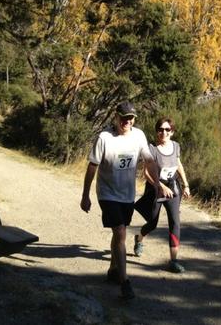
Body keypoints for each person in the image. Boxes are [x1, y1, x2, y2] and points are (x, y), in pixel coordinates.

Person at [80, 101, 169, 300]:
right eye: (123, 117)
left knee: (118, 233)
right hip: (107, 194)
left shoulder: (138, 136)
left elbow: (149, 160)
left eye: (130, 118)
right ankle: (124, 282)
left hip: (127, 195)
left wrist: (156, 184)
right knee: (120, 232)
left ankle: (113, 269)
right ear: (115, 117)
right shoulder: (104, 138)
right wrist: (85, 195)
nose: (127, 121)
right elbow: (92, 167)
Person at [133, 117, 191, 273]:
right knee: (152, 223)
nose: (163, 132)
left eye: (167, 129)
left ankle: (173, 260)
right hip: (155, 189)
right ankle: (139, 238)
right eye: (160, 129)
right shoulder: (151, 149)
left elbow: (178, 165)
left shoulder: (176, 146)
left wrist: (185, 184)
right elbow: (146, 173)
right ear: (157, 131)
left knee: (175, 222)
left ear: (172, 132)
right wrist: (160, 186)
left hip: (173, 188)